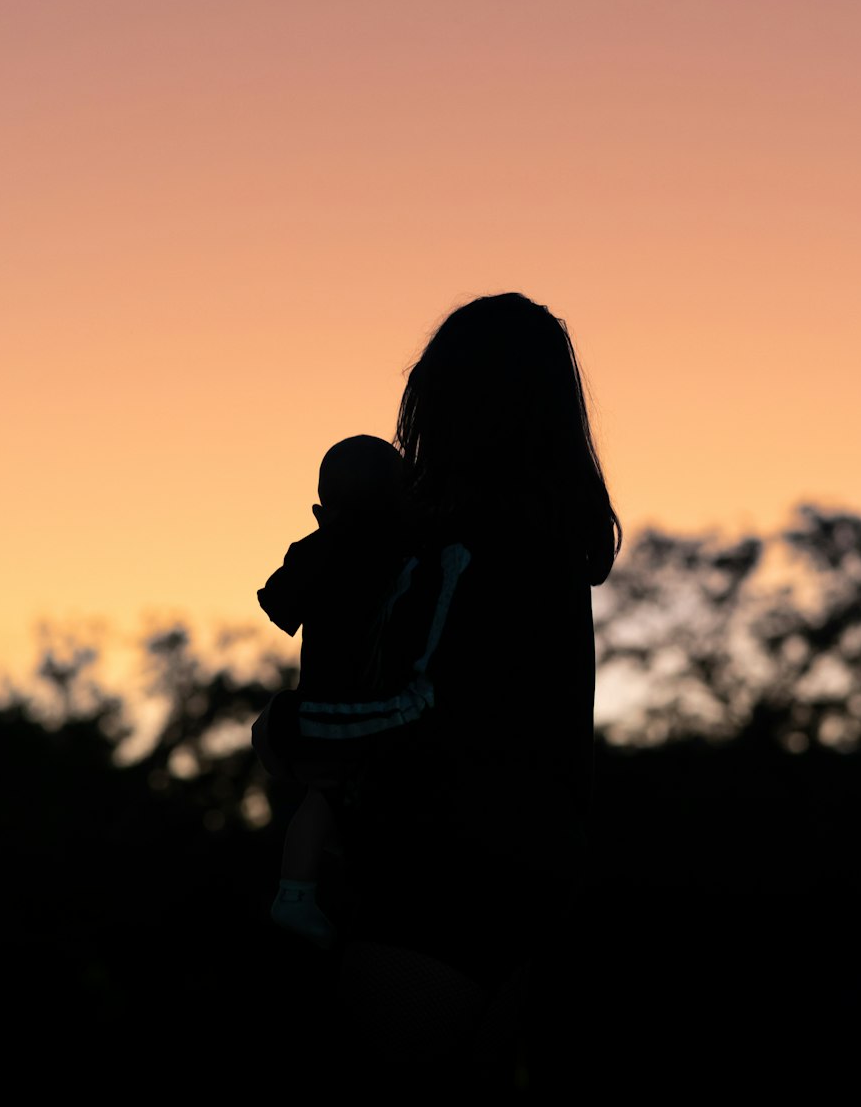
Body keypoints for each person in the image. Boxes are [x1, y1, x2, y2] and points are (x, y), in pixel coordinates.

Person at [252, 292, 623, 1087]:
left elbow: (432, 707)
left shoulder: (483, 547)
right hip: (512, 897)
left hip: (435, 898)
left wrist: (291, 727)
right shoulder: (537, 542)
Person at [254, 433, 412, 950]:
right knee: (338, 796)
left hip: (323, 704)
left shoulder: (317, 550)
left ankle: (299, 891)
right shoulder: (407, 554)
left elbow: (278, 606)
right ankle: (300, 895)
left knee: (324, 798)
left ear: (322, 510)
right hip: (369, 707)